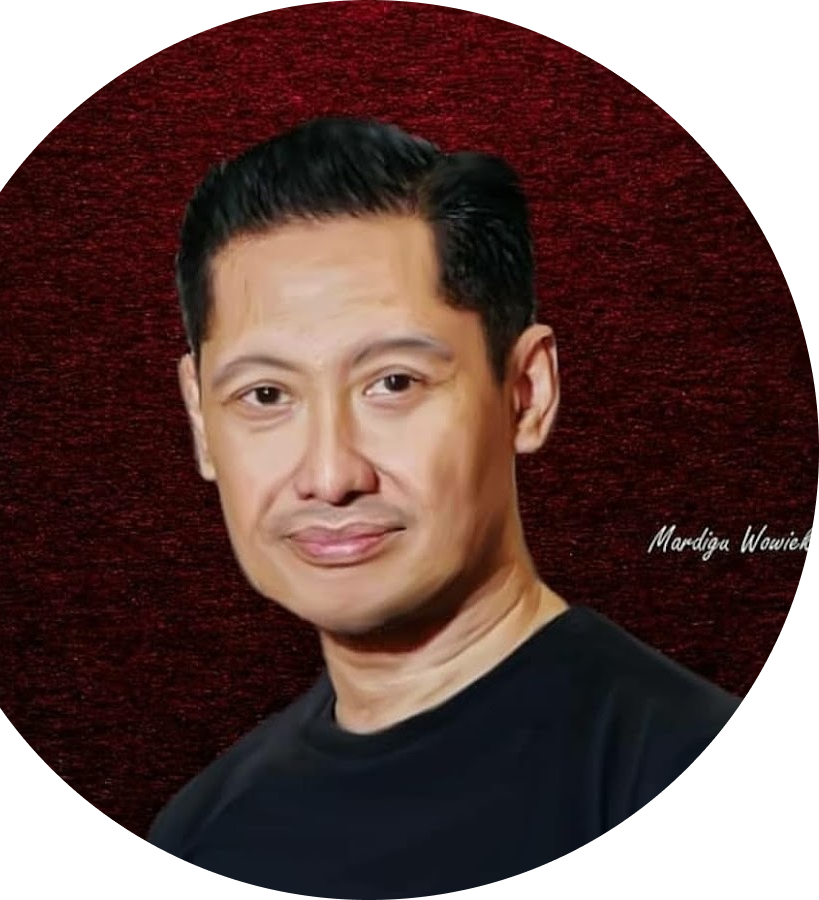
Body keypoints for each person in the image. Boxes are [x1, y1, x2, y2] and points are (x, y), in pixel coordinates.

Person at [148, 117, 741, 895]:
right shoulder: (201, 832)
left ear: (526, 393)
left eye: (393, 383)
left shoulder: (667, 761)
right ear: (200, 421)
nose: (330, 475)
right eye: (265, 395)